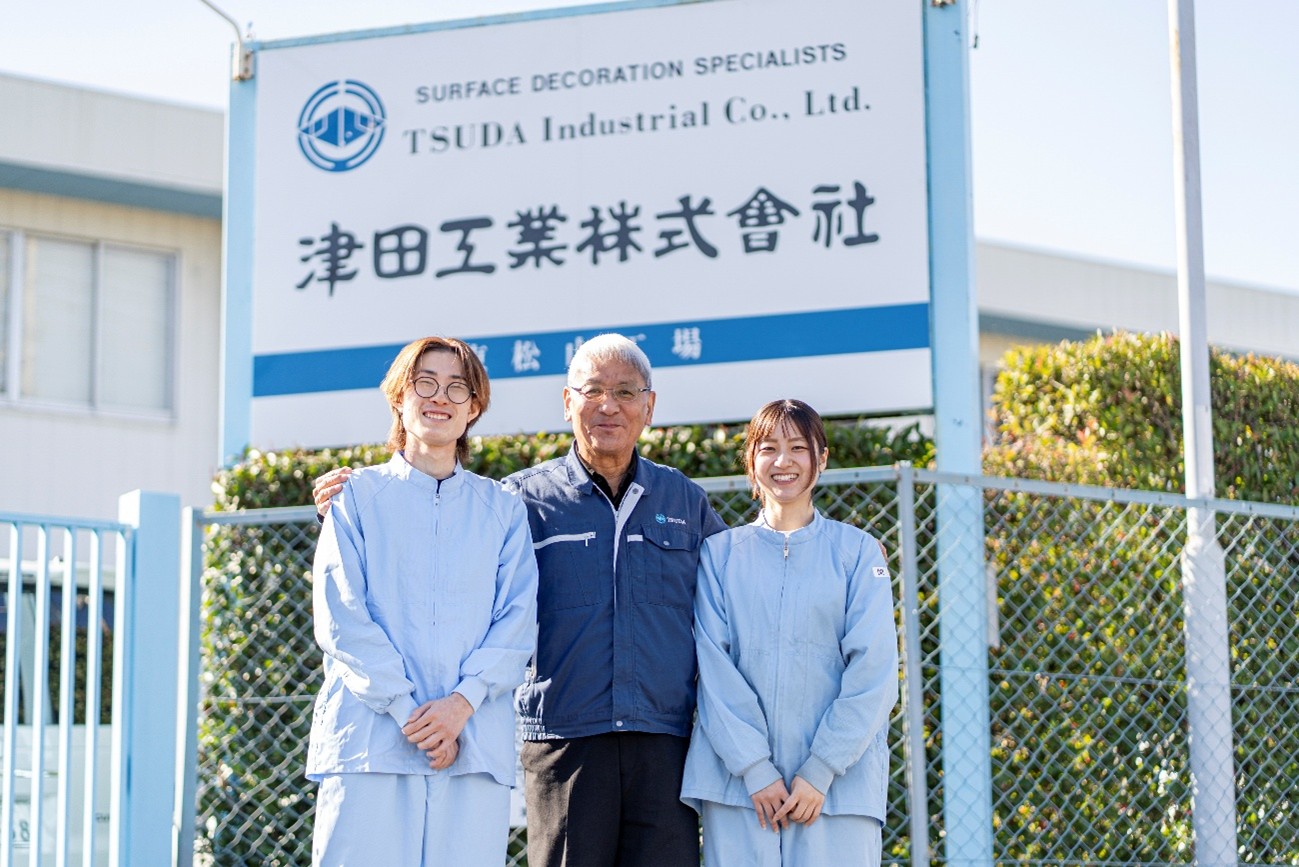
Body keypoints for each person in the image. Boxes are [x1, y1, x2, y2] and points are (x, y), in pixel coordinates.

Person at [314, 333, 726, 866]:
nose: (608, 405)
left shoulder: (681, 499)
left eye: (626, 392)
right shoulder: (519, 499)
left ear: (649, 406)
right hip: (559, 738)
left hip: (657, 738)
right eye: (593, 390)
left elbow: (735, 581)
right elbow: (350, 612)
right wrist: (339, 507)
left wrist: (461, 704)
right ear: (567, 402)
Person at [306, 336, 538, 866]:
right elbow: (342, 621)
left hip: (472, 744)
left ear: (474, 407)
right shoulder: (354, 498)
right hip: (371, 741)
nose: (440, 398)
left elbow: (517, 620)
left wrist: (461, 705)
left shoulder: (502, 509)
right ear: (398, 396)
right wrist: (412, 714)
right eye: (425, 383)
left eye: (458, 388)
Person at [680, 398, 898, 867]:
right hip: (738, 790)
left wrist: (821, 770)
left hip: (838, 791)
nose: (784, 461)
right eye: (769, 448)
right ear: (750, 461)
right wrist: (754, 769)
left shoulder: (858, 553)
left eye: (798, 447)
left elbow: (875, 672)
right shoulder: (719, 556)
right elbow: (712, 669)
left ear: (822, 458)